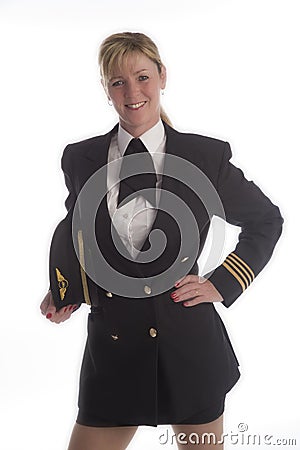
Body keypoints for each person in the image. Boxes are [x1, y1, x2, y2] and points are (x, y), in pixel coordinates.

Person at [40, 32, 283, 450]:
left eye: (142, 77)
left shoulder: (204, 157)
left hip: (188, 347)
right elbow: (76, 230)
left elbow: (266, 220)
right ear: (105, 89)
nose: (132, 92)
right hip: (113, 352)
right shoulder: (79, 157)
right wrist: (66, 288)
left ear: (162, 77)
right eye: (118, 82)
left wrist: (221, 283)